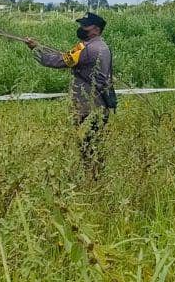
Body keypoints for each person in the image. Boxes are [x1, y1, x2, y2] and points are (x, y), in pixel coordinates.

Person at [26, 12, 114, 180]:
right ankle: (97, 178)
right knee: (95, 144)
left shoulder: (87, 48)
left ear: (95, 29)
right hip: (100, 105)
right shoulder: (103, 46)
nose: (81, 28)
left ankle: (92, 180)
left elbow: (59, 61)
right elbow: (68, 57)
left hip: (86, 107)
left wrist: (36, 48)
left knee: (87, 146)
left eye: (84, 26)